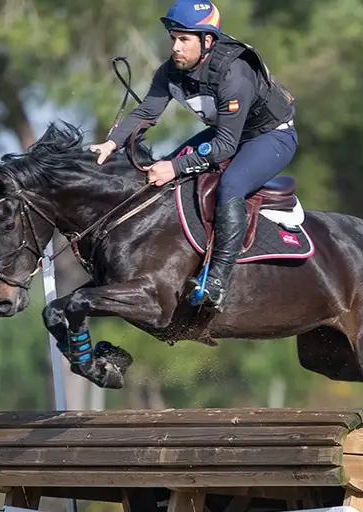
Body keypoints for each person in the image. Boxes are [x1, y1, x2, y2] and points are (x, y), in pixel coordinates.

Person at [88, 0, 298, 311]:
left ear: (207, 41)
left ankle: (217, 282)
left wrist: (174, 167)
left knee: (231, 184)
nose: (175, 47)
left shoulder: (234, 74)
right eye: (173, 38)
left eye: (184, 39)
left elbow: (225, 146)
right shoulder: (171, 72)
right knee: (163, 175)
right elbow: (147, 112)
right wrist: (111, 144)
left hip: (270, 136)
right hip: (229, 134)